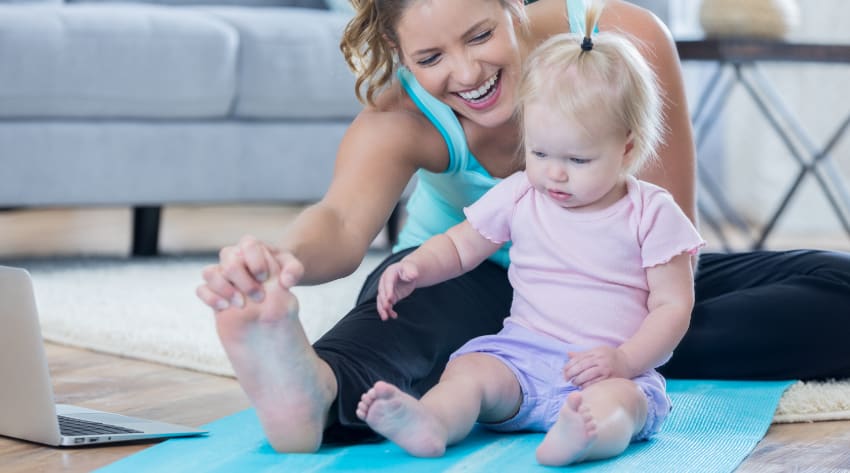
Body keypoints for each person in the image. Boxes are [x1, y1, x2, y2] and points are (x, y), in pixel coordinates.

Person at [196, 0, 850, 453]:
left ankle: (571, 368)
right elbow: (338, 222)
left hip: (616, 287)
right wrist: (275, 257)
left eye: (480, 36)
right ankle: (317, 389)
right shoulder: (402, 115)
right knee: (410, 299)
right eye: (431, 57)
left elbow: (663, 234)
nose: (466, 72)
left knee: (833, 287)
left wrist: (625, 346)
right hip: (470, 278)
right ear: (398, 52)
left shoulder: (619, 42)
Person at [356, 14, 704, 465]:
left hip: (608, 369)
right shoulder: (522, 192)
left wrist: (626, 360)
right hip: (521, 358)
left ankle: (584, 436)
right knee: (470, 373)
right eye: (539, 153)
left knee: (624, 405)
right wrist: (416, 267)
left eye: (577, 159)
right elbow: (461, 245)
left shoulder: (652, 212)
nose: (554, 173)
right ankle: (433, 421)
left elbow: (674, 306)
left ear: (627, 149)